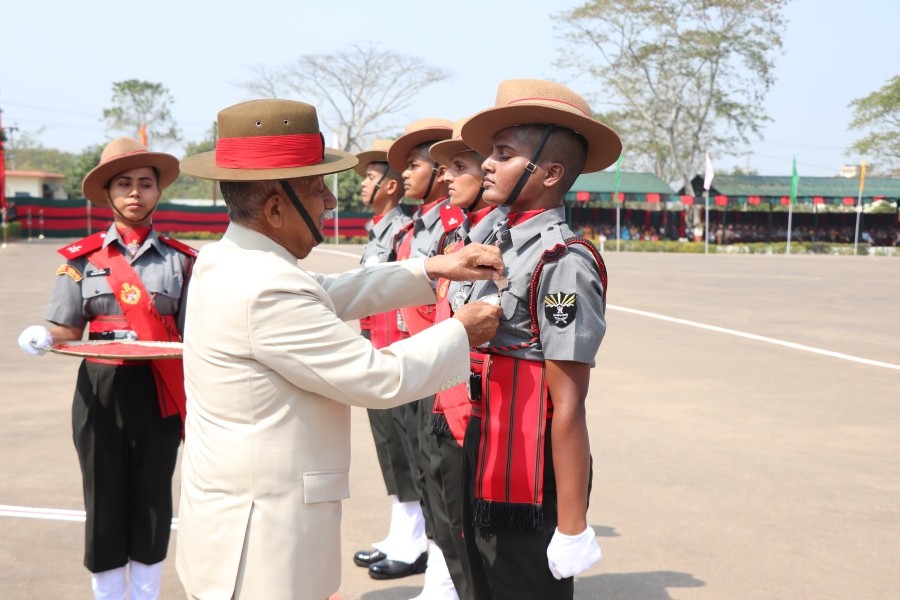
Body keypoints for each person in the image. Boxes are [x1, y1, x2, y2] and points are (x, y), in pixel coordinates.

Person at [173, 98, 503, 600]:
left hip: (239, 522)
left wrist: (433, 268)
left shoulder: (229, 260)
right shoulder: (265, 287)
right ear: (276, 206)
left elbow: (326, 292)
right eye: (316, 188)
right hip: (262, 545)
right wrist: (462, 330)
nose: (330, 201)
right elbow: (377, 377)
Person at [455, 79, 622, 599]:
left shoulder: (563, 260)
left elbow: (568, 401)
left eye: (504, 154)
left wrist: (572, 525)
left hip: (527, 459)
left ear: (550, 173)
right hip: (484, 440)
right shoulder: (492, 237)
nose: (486, 163)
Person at [16, 137, 197, 600]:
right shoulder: (82, 260)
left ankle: (146, 593)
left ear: (158, 193)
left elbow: (194, 333)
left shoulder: (181, 261)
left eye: (144, 184)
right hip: (99, 386)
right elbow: (64, 329)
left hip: (160, 385)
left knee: (154, 495)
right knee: (103, 494)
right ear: (108, 194)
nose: (135, 193)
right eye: (124, 184)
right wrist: (42, 336)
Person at [379, 118, 466, 598]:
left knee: (441, 479)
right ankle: (436, 570)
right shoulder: (417, 227)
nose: (406, 174)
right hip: (412, 360)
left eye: (415, 164)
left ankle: (445, 578)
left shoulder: (453, 226)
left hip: (437, 367)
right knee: (420, 471)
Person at [426, 118, 508, 599]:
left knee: (479, 543)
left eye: (460, 166)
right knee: (449, 522)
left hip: (476, 410)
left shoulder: (501, 244)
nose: (446, 177)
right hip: (444, 396)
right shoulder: (457, 240)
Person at [350, 139, 423, 574]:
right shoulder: (379, 229)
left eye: (371, 177)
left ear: (393, 185)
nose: (363, 185)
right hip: (376, 348)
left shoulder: (404, 232)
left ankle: (414, 538)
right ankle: (401, 530)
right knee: (389, 447)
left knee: (408, 448)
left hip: (398, 351)